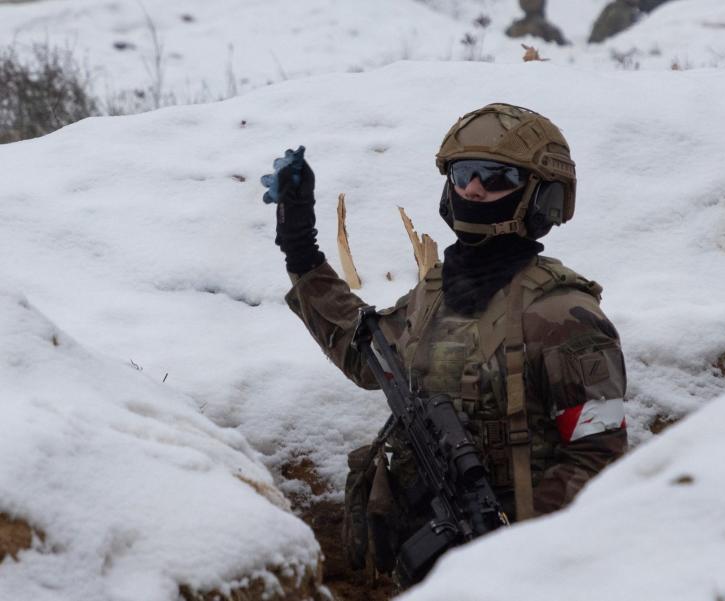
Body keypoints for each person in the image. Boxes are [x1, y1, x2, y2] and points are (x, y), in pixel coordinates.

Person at [263, 103, 628, 580]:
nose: (475, 188)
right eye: (463, 173)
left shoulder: (565, 316)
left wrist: (513, 551)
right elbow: (365, 353)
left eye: (498, 177)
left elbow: (598, 458)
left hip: (523, 573)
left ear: (542, 197)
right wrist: (300, 244)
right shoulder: (435, 293)